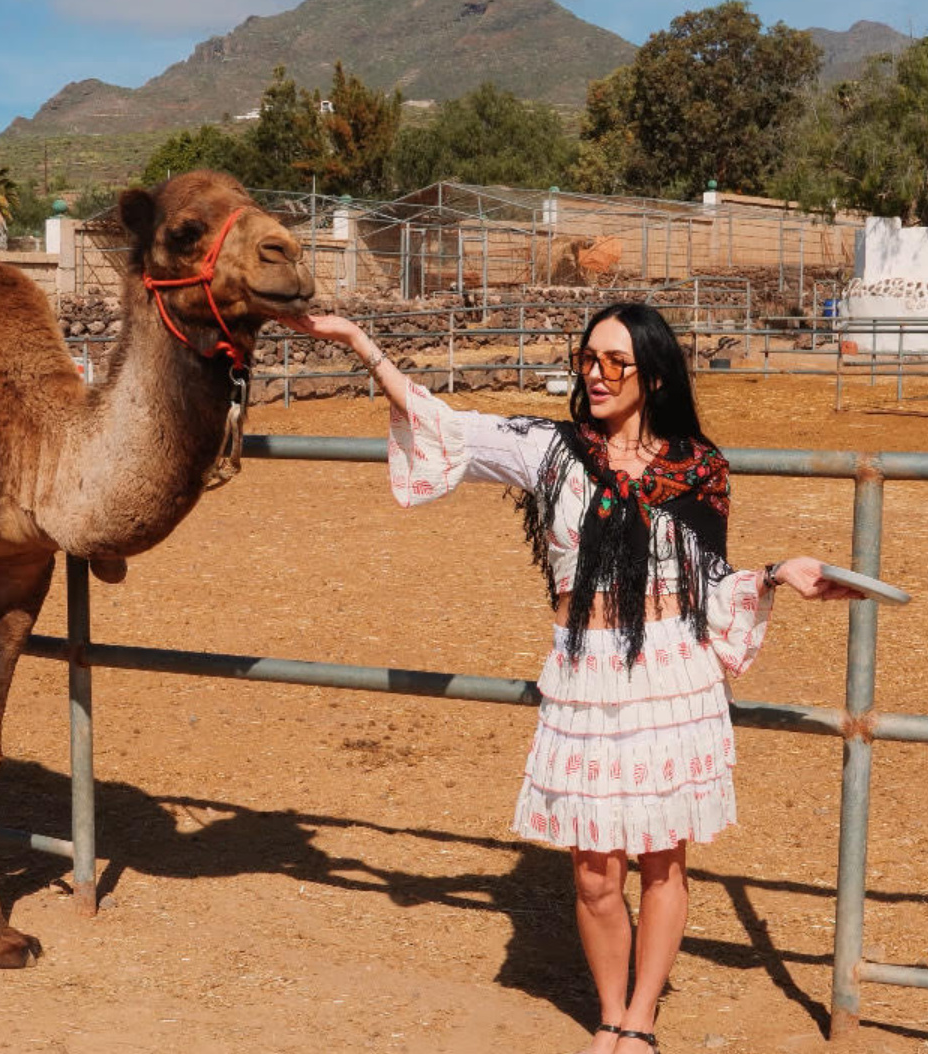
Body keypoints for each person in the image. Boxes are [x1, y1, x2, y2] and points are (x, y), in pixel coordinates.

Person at [280, 304, 857, 1054]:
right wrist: (361, 345)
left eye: (614, 361)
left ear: (651, 375)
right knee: (592, 871)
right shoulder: (550, 451)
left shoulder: (698, 467)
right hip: (584, 675)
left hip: (667, 676)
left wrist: (780, 574)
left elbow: (710, 582)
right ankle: (608, 1012)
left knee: (662, 860)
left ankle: (639, 1022)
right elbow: (439, 420)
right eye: (587, 357)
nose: (595, 373)